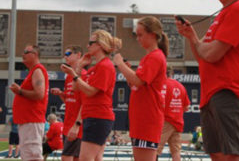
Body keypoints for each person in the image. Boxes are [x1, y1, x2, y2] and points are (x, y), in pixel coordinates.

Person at [176, 0, 239, 161]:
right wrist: (191, 37)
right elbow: (202, 56)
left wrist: (197, 41)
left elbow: (212, 54)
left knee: (233, 153)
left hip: (228, 90)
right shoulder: (225, 13)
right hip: (213, 92)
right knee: (218, 154)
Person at [61, 30, 122, 161]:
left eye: (90, 43)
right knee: (94, 158)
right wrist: (79, 67)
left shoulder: (105, 65)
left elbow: (91, 91)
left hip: (98, 117)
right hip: (91, 117)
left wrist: (74, 74)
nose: (87, 46)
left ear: (99, 45)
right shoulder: (94, 68)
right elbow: (77, 88)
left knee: (85, 158)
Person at [114, 16, 168, 161]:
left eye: (140, 35)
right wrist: (127, 72)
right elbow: (136, 84)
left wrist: (120, 64)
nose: (137, 39)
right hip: (141, 118)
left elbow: (139, 81)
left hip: (147, 118)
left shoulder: (155, 57)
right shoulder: (149, 57)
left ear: (153, 35)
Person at [10, 44, 49, 161]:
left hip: (32, 120)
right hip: (29, 121)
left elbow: (39, 94)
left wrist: (20, 91)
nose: (23, 54)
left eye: (26, 52)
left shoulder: (37, 70)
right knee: (28, 155)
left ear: (35, 54)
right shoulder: (34, 71)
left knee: (32, 156)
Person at [51, 45, 85, 161]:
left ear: (78, 55)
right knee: (75, 158)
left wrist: (77, 125)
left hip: (77, 127)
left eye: (68, 54)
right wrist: (61, 93)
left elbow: (85, 103)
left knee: (66, 157)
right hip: (67, 124)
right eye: (65, 54)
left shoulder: (83, 75)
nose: (65, 57)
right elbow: (68, 101)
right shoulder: (68, 77)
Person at [157, 66, 190, 161]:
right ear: (171, 73)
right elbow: (186, 107)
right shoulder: (181, 86)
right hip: (177, 122)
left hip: (164, 121)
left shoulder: (160, 85)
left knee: (155, 149)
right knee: (176, 152)